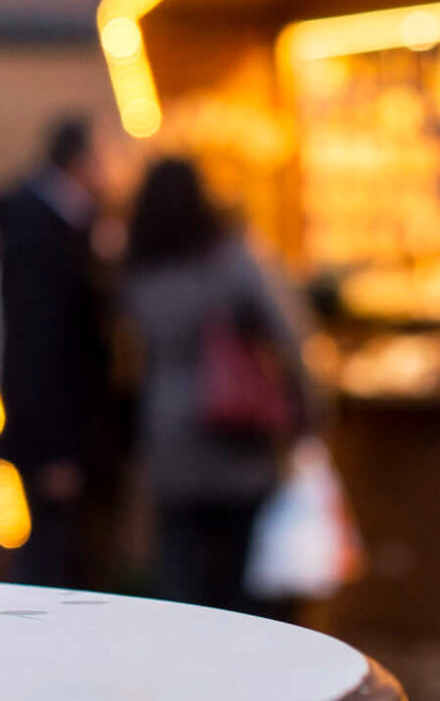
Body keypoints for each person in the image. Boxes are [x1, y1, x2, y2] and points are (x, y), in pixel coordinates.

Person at [124, 156, 308, 614]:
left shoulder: (137, 268)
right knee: (241, 571)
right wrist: (307, 413)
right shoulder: (230, 258)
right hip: (235, 422)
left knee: (180, 569)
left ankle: (183, 674)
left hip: (166, 424)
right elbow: (289, 334)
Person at [0, 112, 121, 589]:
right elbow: (40, 344)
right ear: (81, 161)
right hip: (56, 433)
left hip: (62, 430)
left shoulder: (68, 225)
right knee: (52, 561)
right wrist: (55, 449)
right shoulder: (42, 233)